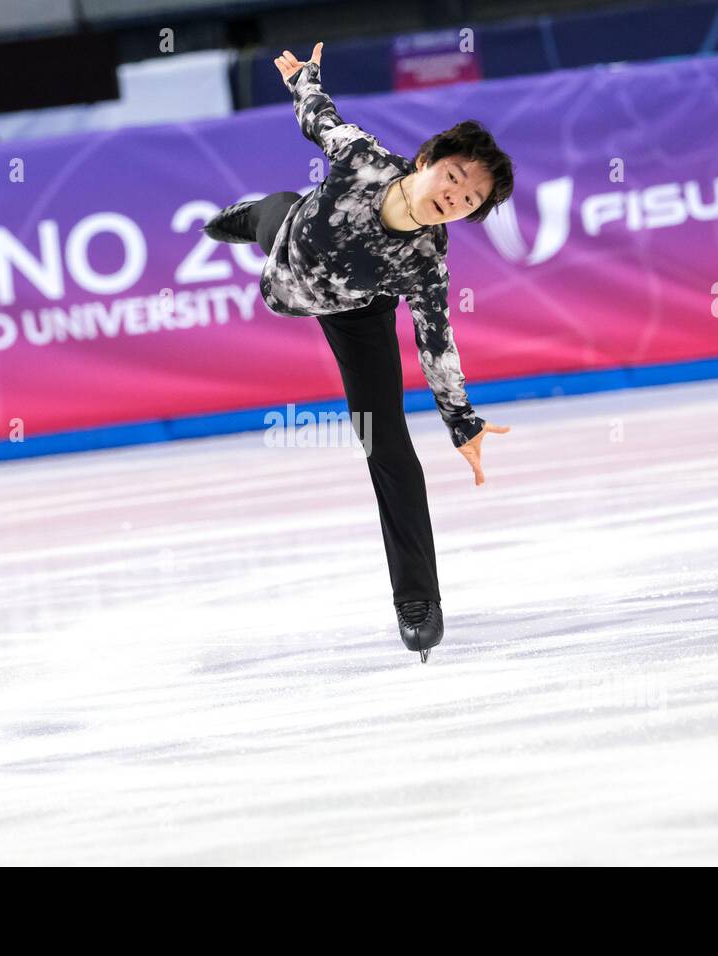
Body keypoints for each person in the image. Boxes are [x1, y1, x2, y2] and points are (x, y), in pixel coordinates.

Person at [203, 42, 514, 662]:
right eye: (453, 177)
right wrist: (303, 79)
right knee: (276, 216)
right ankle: (253, 213)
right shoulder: (365, 160)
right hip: (289, 253)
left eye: (469, 200)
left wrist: (462, 422)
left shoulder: (428, 261)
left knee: (386, 443)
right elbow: (319, 116)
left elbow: (437, 343)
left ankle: (417, 601)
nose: (455, 197)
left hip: (356, 314)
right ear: (426, 160)